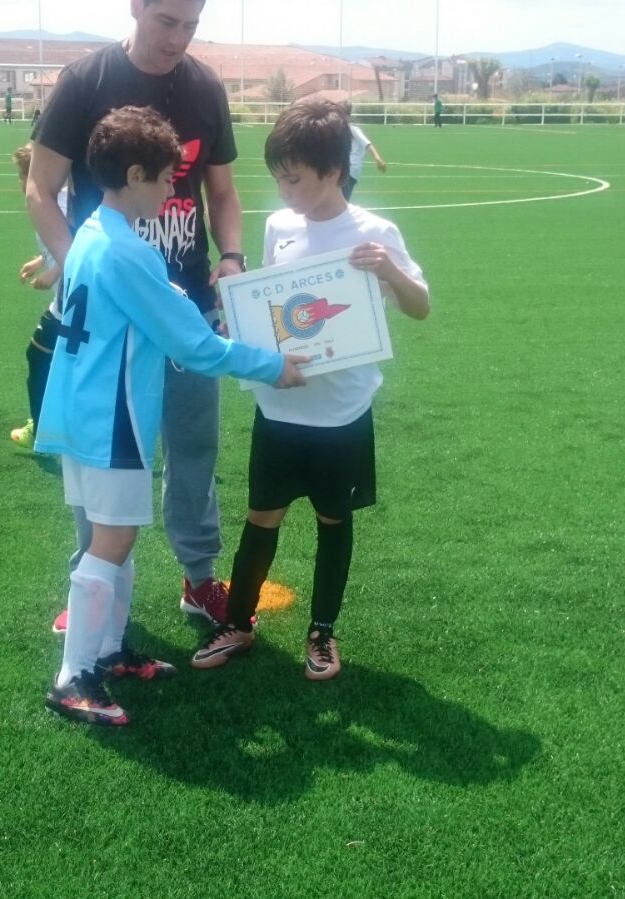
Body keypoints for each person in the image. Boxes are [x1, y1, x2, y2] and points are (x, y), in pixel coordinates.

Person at [38, 106, 306, 726]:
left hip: (80, 409)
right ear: (135, 175)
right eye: (165, 179)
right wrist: (271, 365)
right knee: (111, 541)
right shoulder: (127, 252)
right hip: (112, 417)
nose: (171, 192)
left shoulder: (91, 231)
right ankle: (73, 677)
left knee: (114, 538)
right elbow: (194, 346)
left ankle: (108, 651)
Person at [26, 0, 248, 631]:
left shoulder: (205, 87)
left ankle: (199, 579)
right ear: (136, 7)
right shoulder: (86, 81)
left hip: (186, 306)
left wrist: (232, 256)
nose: (178, 38)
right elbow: (40, 187)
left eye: (191, 25)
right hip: (108, 323)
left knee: (194, 446)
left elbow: (222, 191)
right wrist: (77, 264)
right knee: (102, 452)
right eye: (166, 21)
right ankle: (90, 584)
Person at [191, 97, 429, 681]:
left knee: (333, 521)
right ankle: (238, 623)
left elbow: (420, 306)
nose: (284, 190)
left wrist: (389, 271)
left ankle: (322, 632)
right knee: (260, 517)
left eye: (293, 179)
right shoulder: (280, 225)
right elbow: (274, 304)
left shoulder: (374, 233)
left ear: (333, 171)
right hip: (280, 405)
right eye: (278, 178)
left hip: (342, 412)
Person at [8, 144, 66, 450]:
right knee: (52, 359)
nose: (21, 182)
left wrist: (54, 272)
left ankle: (42, 431)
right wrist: (41, 260)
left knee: (39, 355)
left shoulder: (58, 201)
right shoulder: (50, 199)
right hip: (69, 299)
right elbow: (56, 241)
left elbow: (80, 241)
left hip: (73, 300)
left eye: (22, 175)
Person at [341, 100, 387, 202]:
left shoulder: (353, 130)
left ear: (348, 116)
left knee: (342, 200)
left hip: (350, 170)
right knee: (340, 199)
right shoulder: (342, 130)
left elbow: (367, 144)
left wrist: (377, 158)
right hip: (345, 169)